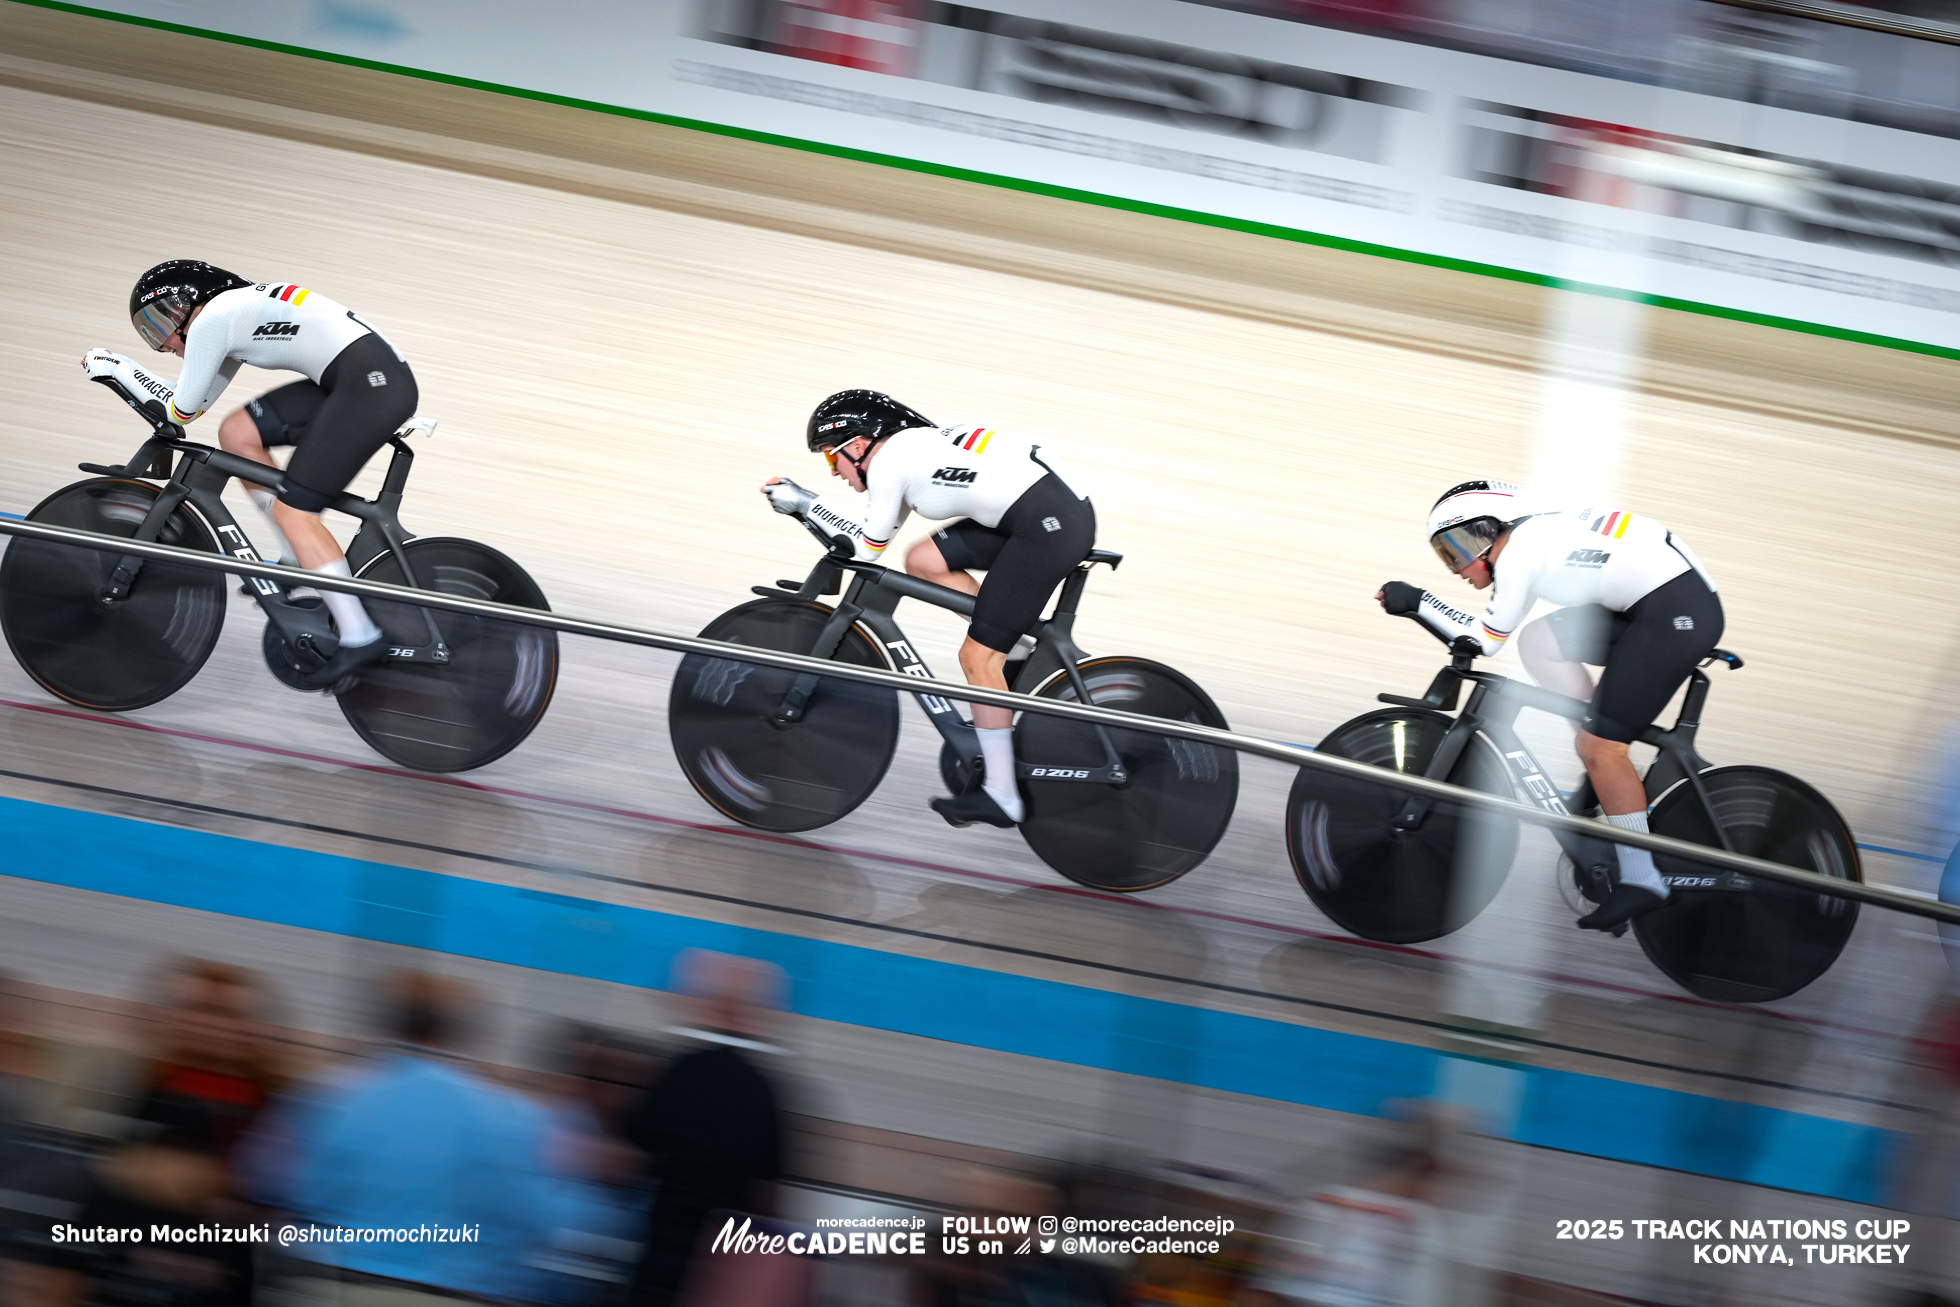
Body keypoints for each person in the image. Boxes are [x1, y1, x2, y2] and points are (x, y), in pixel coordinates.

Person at [1377, 480, 1723, 932]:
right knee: (1540, 642)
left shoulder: (1521, 550)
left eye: (1457, 547)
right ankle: (1602, 763)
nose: (1456, 565)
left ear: (1487, 531)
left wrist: (1419, 601)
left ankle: (1643, 878)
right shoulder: (1532, 532)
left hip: (1673, 614)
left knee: (1601, 748)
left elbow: (1483, 639)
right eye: (1445, 554)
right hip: (1660, 602)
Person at [761, 390, 1095, 829]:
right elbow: (875, 538)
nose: (835, 472)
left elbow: (862, 550)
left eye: (831, 458)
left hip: (1045, 525)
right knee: (923, 560)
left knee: (975, 658)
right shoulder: (907, 450)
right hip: (1043, 510)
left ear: (857, 446)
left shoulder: (888, 464)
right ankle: (1014, 652)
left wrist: (807, 505)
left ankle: (1002, 796)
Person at [81, 260, 419, 689]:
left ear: (188, 304)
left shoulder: (214, 320)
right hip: (365, 379)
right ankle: (297, 557)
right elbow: (196, 406)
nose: (161, 342)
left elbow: (178, 410)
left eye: (159, 320)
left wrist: (118, 366)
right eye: (149, 332)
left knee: (296, 512)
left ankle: (359, 634)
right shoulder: (232, 313)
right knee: (237, 432)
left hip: (368, 386)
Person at [236, 971, 555, 1303]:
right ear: (468, 1031)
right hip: (459, 1294)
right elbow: (537, 1221)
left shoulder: (325, 1094)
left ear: (385, 1020)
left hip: (330, 1288)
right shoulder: (517, 1117)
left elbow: (262, 1180)